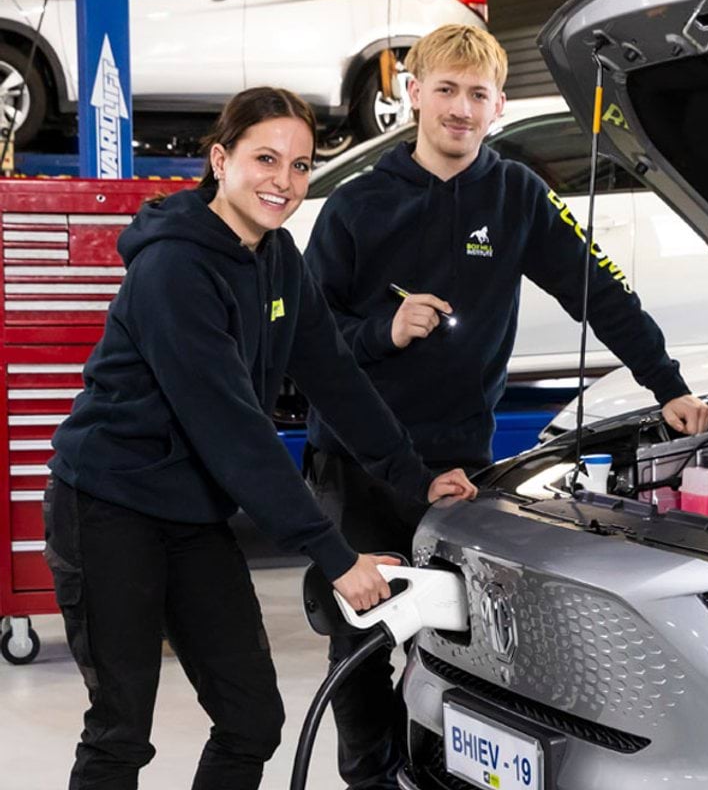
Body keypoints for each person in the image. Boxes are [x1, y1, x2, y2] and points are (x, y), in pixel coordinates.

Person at [303, 23, 708, 788]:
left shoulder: (517, 195)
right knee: (358, 644)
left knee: (466, 642)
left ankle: (432, 769)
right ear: (414, 92)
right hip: (355, 466)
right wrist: (380, 331)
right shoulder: (355, 207)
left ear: (496, 107)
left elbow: (603, 295)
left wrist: (670, 385)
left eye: (478, 94)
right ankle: (370, 779)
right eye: (447, 89)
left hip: (461, 463)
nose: (461, 108)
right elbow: (305, 342)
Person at [43, 86, 477, 790]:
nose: (284, 181)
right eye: (265, 159)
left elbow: (333, 375)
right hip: (108, 508)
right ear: (221, 159)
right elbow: (232, 429)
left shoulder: (278, 257)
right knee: (120, 732)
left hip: (190, 515)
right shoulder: (173, 269)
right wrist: (334, 554)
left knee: (252, 719)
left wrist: (415, 475)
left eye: (301, 166)